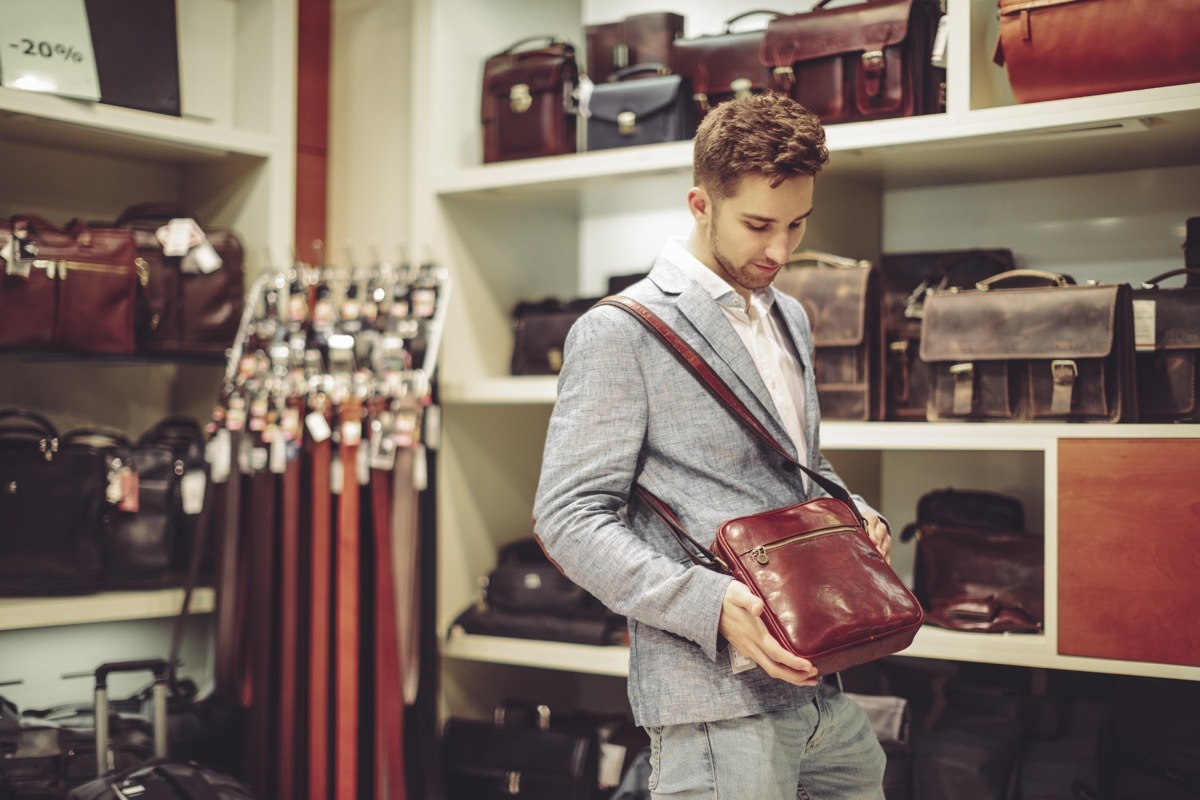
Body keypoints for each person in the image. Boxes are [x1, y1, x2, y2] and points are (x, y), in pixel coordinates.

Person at [533, 92, 892, 799]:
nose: (780, 250)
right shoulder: (618, 332)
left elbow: (799, 467)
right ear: (700, 204)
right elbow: (567, 518)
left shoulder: (788, 313)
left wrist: (853, 511)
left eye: (796, 224)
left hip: (822, 684)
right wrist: (709, 603)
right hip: (712, 703)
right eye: (758, 225)